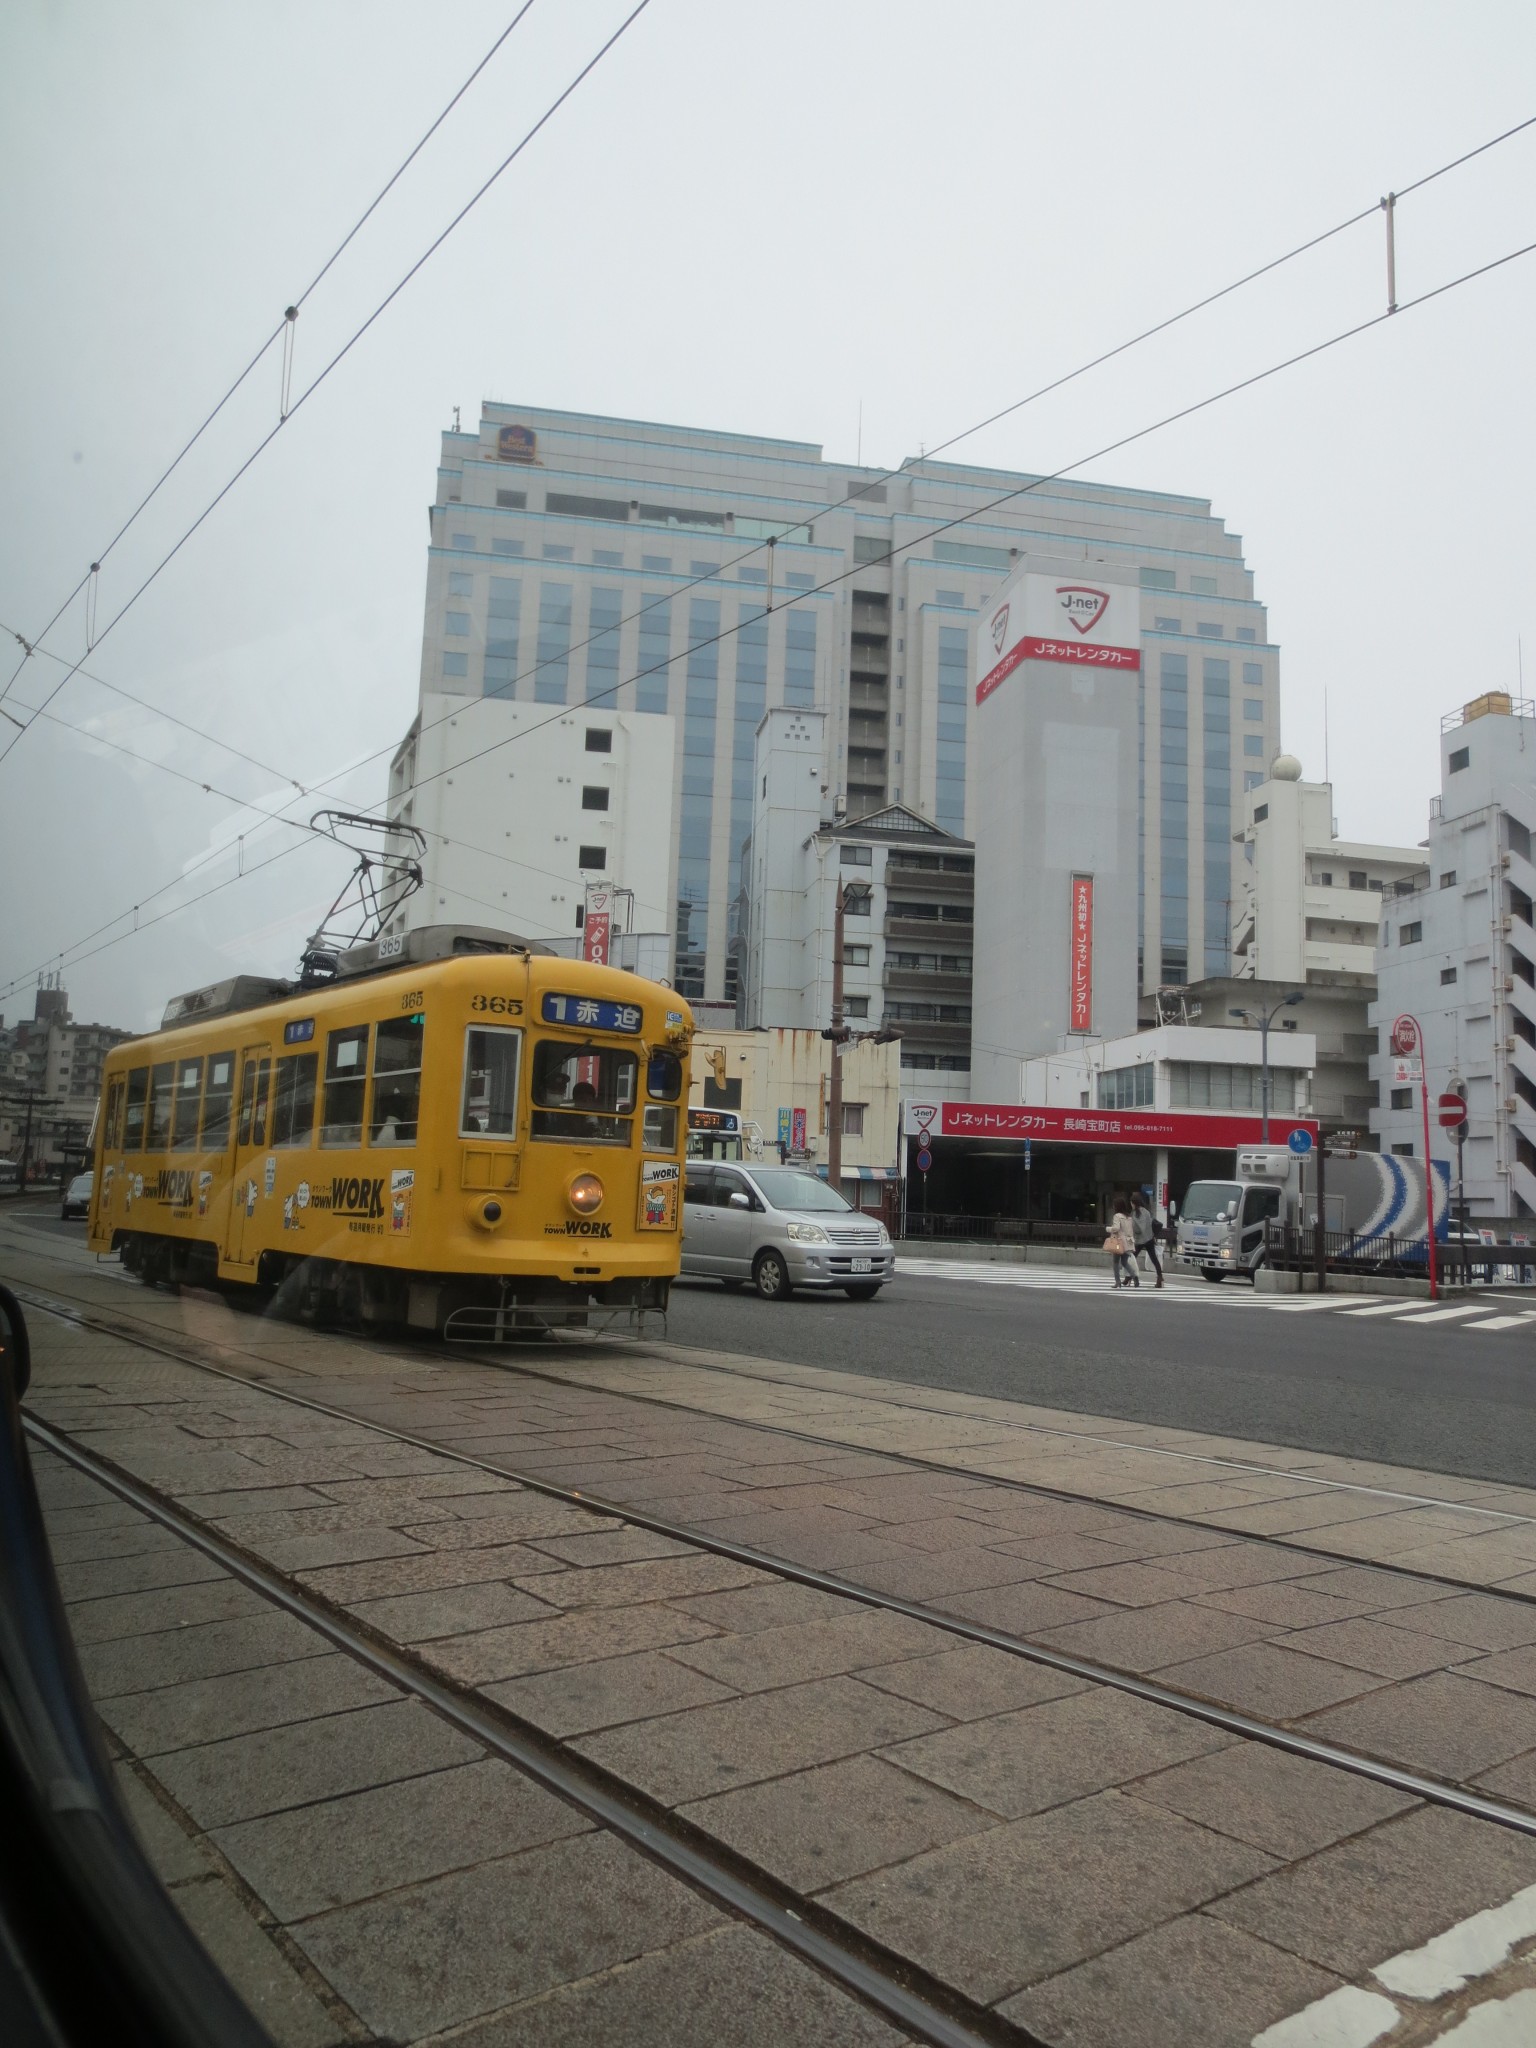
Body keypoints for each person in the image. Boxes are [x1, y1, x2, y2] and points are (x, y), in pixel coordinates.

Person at [1131, 1190, 1164, 1289]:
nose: (1131, 1204)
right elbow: (1150, 1224)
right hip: (1149, 1238)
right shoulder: (1146, 1211)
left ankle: (1129, 1277)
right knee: (1154, 1259)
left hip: (1140, 1240)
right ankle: (1160, 1277)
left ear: (1134, 1203)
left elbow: (1136, 1228)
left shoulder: (1135, 1214)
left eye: (1131, 1203)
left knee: (1132, 1258)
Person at [1105, 1197, 1139, 1288]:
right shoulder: (1129, 1217)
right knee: (1124, 1262)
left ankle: (1117, 1282)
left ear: (1117, 1206)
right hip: (1128, 1243)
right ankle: (1134, 1276)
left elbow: (1116, 1228)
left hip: (1118, 1243)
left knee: (1116, 1262)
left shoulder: (1117, 1216)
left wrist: (1108, 1229)